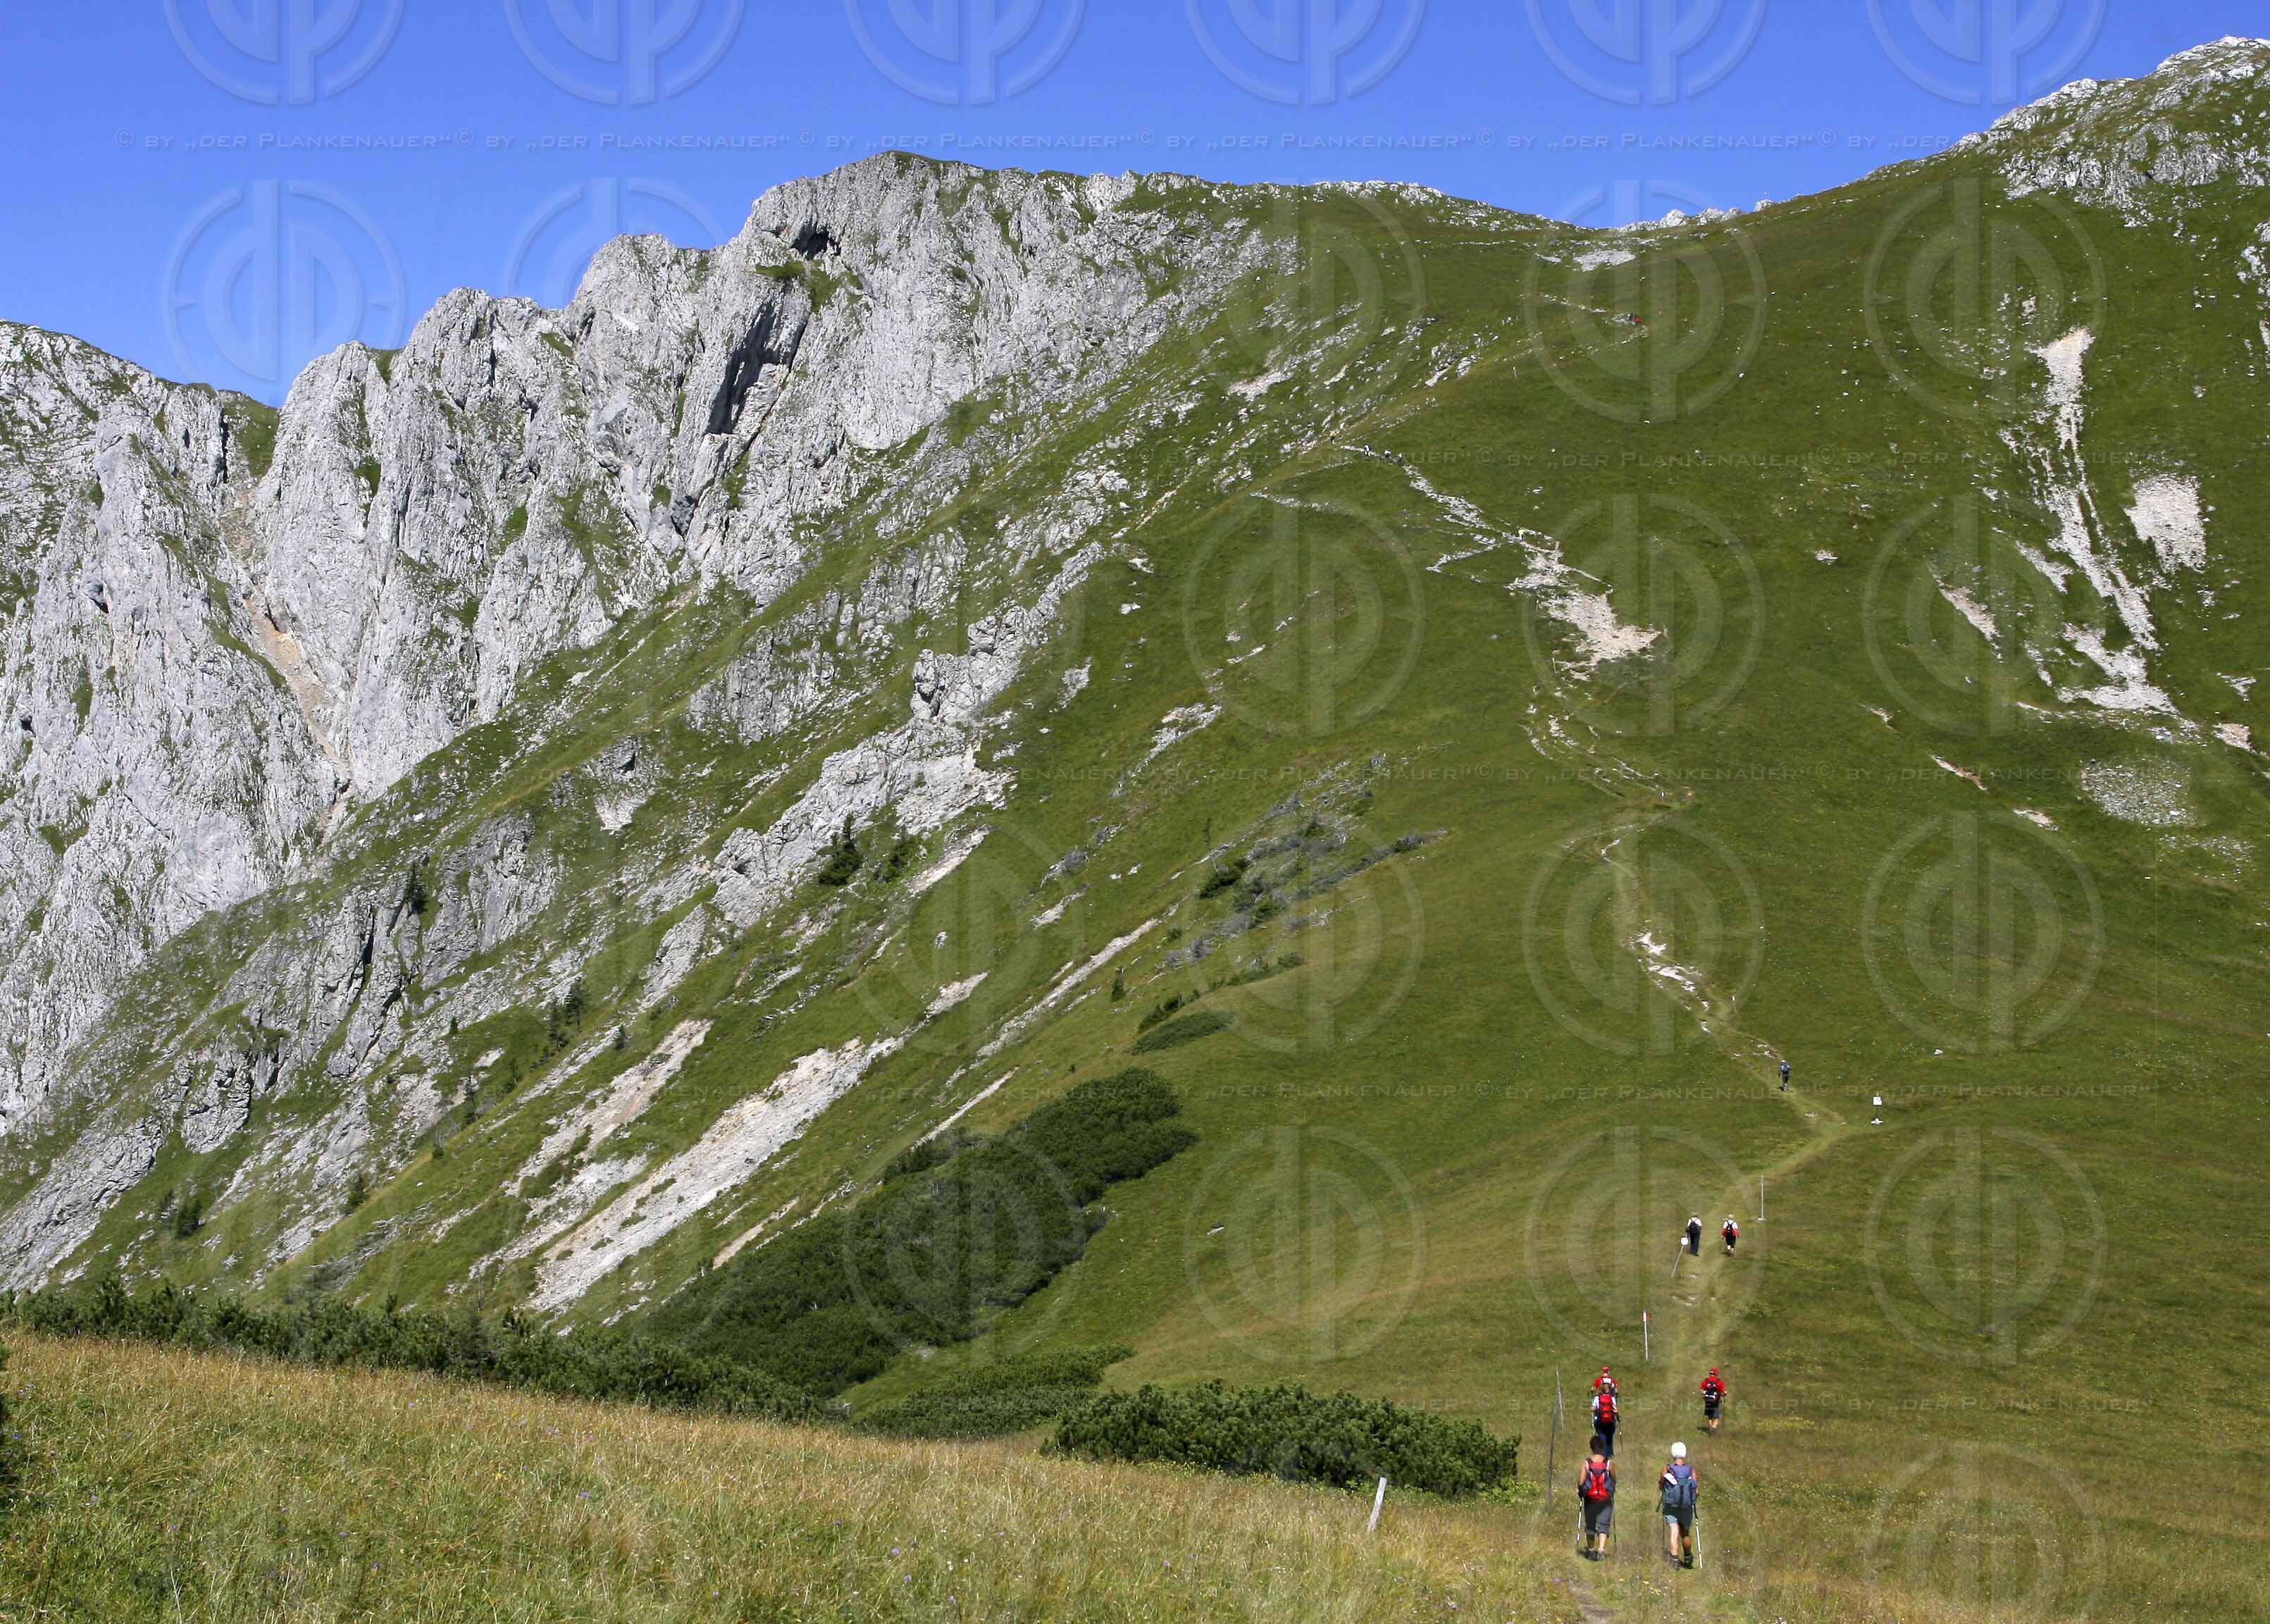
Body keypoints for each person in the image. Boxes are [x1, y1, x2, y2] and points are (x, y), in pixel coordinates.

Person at [1660, 1443, 1699, 1568]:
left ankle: (1675, 1559)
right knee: (1685, 1533)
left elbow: (1661, 1484)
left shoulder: (1667, 1468)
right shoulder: (1691, 1470)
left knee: (1674, 1531)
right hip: (1687, 1507)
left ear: (1672, 1453)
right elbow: (1696, 1489)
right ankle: (1687, 1557)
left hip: (1671, 1505)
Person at [1578, 1449, 1616, 1561]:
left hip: (1590, 1498)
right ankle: (1600, 1551)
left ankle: (1590, 1551)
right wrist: (1611, 1490)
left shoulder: (1586, 1463)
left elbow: (1581, 1482)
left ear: (1592, 1448)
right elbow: (1614, 1479)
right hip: (1606, 1498)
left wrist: (1581, 1492)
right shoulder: (1609, 1463)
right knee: (1604, 1525)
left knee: (1590, 1525)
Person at [1699, 1368, 1725, 1434]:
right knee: (1716, 1418)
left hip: (1708, 1401)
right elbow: (1723, 1392)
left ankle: (1710, 1429)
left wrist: (1704, 1397)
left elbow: (1702, 1390)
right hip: (1716, 1402)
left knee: (1710, 1416)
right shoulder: (1719, 1382)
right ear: (1716, 1374)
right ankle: (1713, 1429)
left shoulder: (1706, 1381)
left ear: (1710, 1373)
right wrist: (1724, 1394)